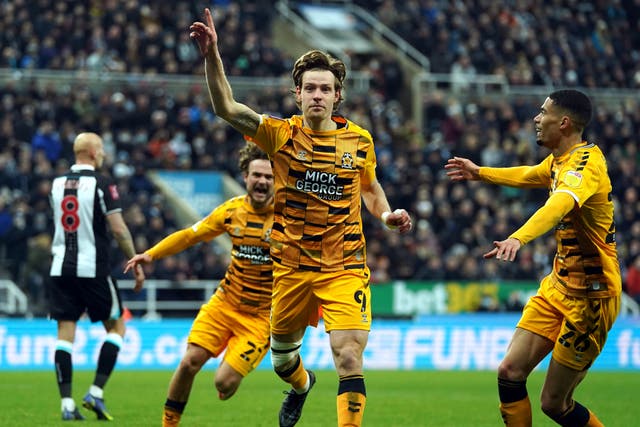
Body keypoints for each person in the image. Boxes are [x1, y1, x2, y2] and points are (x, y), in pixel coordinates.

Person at [189, 8, 412, 427]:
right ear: (297, 93)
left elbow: (368, 188)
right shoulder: (281, 134)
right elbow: (226, 107)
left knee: (348, 355)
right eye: (309, 88)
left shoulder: (360, 140)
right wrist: (212, 56)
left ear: (337, 96)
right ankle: (302, 384)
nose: (317, 95)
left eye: (325, 89)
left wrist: (386, 215)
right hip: (290, 267)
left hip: (344, 265)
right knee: (282, 360)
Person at [445, 89, 620, 426]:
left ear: (564, 122)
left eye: (543, 113)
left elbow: (558, 206)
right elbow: (529, 175)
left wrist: (517, 237)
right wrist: (480, 172)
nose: (537, 119)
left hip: (591, 299)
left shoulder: (585, 167)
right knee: (509, 372)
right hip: (558, 286)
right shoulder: (559, 161)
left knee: (554, 404)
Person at [123, 142, 275, 427]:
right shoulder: (231, 212)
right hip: (224, 303)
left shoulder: (290, 219)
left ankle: (232, 363)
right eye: (257, 175)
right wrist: (150, 254)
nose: (262, 181)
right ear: (245, 176)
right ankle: (169, 424)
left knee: (224, 385)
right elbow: (189, 236)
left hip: (261, 318)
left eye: (269, 177)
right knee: (189, 362)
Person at [48, 132, 145, 421]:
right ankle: (96, 392)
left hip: (60, 268)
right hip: (93, 269)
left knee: (65, 336)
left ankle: (67, 404)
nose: (103, 154)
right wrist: (135, 261)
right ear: (91, 152)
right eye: (101, 149)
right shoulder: (102, 184)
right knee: (117, 328)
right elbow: (118, 229)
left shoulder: (56, 183)